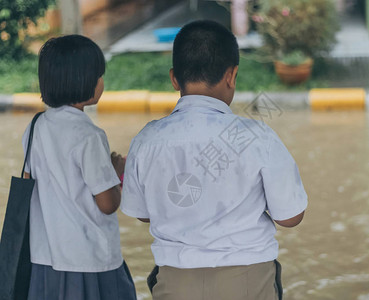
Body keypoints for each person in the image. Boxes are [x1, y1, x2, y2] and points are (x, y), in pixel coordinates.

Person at [121, 20, 308, 300]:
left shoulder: (147, 140)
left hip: (175, 282)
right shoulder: (256, 136)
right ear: (231, 76)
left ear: (174, 78)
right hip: (248, 280)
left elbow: (141, 211)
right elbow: (291, 217)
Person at [22, 35, 136, 300]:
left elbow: (30, 183)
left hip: (44, 257)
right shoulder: (89, 135)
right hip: (89, 258)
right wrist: (116, 172)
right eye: (99, 75)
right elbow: (107, 203)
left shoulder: (36, 126)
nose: (102, 82)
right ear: (84, 81)